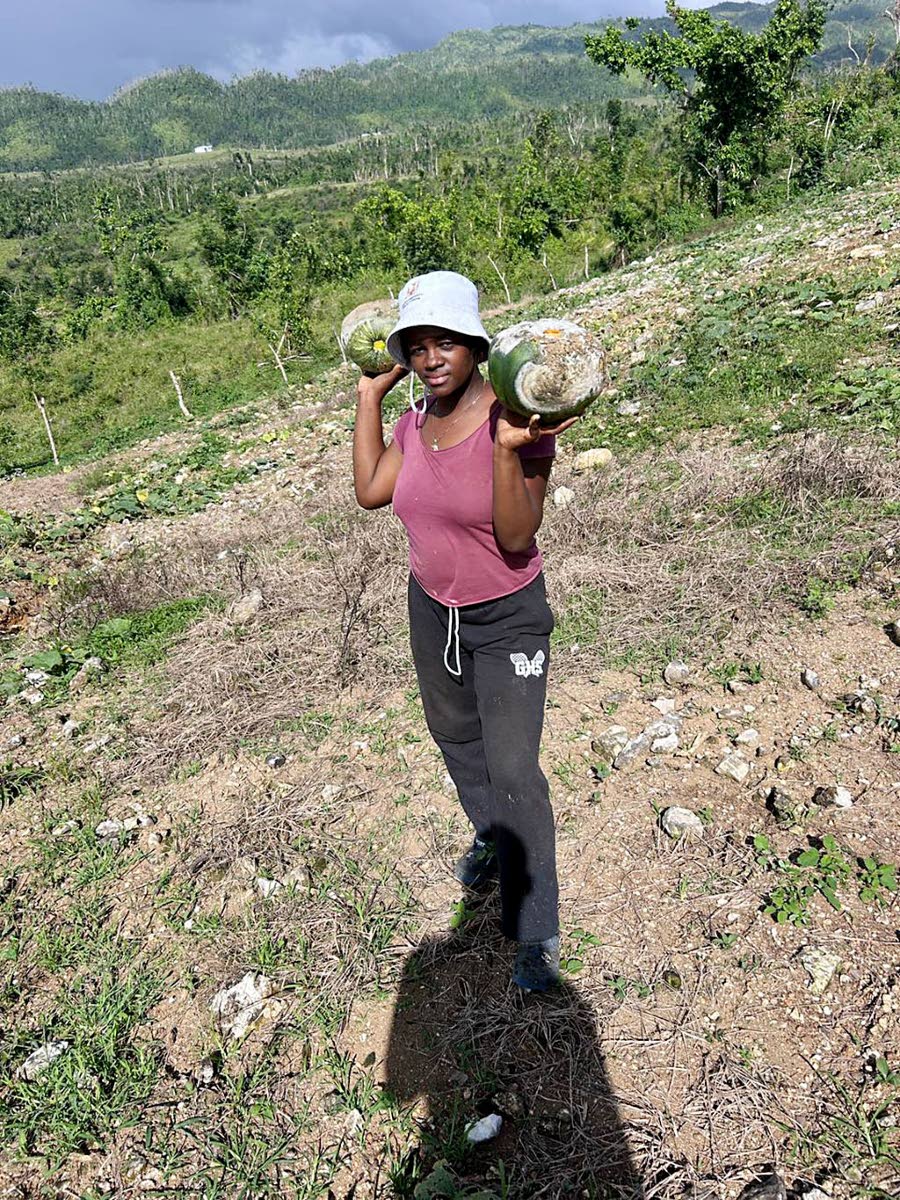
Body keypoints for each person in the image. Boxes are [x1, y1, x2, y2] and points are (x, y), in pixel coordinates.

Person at [352, 271, 577, 992]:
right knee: (455, 736)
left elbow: (517, 538)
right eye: (416, 346)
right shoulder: (413, 423)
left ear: (475, 344)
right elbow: (369, 492)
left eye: (445, 340)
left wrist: (511, 450)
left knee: (514, 772)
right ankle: (489, 833)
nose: (430, 357)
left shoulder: (518, 421)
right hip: (433, 609)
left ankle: (535, 930)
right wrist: (368, 399)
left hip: (507, 616)